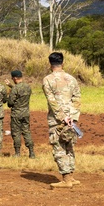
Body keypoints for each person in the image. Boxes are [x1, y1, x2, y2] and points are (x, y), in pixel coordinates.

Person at [43, 52, 82, 189]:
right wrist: (72, 117)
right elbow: (77, 99)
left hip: (57, 119)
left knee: (59, 147)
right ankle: (70, 176)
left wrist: (62, 117)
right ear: (62, 63)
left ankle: (66, 179)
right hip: (71, 119)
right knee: (70, 146)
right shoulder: (71, 79)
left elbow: (52, 101)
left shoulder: (48, 80)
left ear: (50, 64)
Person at [6, 70, 35, 158]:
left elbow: (10, 103)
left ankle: (17, 153)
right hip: (25, 113)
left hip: (16, 114)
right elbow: (20, 92)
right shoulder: (28, 87)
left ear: (14, 78)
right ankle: (31, 152)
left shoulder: (15, 88)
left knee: (16, 133)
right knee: (26, 132)